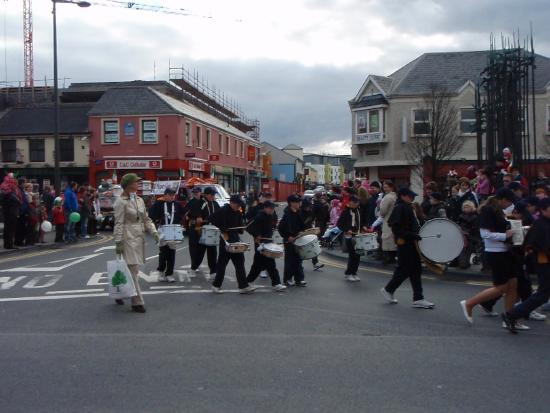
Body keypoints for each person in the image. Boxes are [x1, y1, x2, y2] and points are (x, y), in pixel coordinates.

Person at [459, 190, 518, 325]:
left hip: (504, 251)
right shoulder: (488, 211)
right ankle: (469, 303)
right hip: (495, 252)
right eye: (509, 202)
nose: (510, 205)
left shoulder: (497, 211)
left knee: (513, 284)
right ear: (503, 199)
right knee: (502, 287)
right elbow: (485, 234)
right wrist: (505, 235)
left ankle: (510, 318)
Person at [380, 187, 435, 309]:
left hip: (410, 243)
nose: (413, 198)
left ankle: (418, 298)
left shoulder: (407, 206)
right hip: (405, 244)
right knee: (405, 269)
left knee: (415, 270)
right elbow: (396, 229)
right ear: (403, 196)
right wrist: (413, 235)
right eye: (410, 196)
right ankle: (389, 289)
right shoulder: (400, 207)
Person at [502, 198, 550, 333]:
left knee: (543, 294)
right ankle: (511, 314)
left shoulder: (544, 223)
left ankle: (512, 314)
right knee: (543, 294)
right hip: (544, 263)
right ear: (543, 210)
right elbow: (538, 245)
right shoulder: (541, 225)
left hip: (544, 262)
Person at [114, 173, 159, 313]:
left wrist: (154, 232)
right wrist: (118, 241)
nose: (138, 184)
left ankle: (119, 293)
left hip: (139, 238)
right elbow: (119, 223)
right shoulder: (120, 202)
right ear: (128, 185)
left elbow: (146, 219)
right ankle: (137, 302)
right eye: (136, 182)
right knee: (133, 270)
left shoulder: (139, 200)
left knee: (133, 269)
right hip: (127, 237)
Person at [210, 195, 255, 294]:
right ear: (232, 203)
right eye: (238, 205)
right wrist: (223, 228)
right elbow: (211, 218)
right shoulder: (223, 210)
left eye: (239, 205)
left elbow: (239, 228)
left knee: (240, 262)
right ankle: (216, 285)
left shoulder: (238, 213)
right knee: (222, 265)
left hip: (235, 240)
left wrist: (241, 228)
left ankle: (243, 286)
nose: (239, 207)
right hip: (225, 240)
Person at [245, 200, 287, 292]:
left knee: (265, 264)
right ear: (265, 208)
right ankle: (275, 284)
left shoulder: (270, 216)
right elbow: (248, 227)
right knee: (262, 265)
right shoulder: (259, 216)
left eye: (273, 208)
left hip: (268, 243)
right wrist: (256, 235)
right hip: (261, 244)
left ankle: (275, 283)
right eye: (270, 208)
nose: (272, 210)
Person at [149, 188, 185, 283]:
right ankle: (161, 271)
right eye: (170, 195)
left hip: (173, 230)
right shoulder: (158, 204)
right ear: (165, 195)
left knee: (171, 253)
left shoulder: (176, 204)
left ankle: (169, 273)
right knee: (163, 252)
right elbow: (151, 215)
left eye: (173, 195)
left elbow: (182, 214)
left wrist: (181, 225)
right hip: (163, 230)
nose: (172, 197)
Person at [278, 194, 307, 287]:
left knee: (298, 259)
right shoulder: (287, 214)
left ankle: (299, 279)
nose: (299, 203)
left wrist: (302, 232)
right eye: (297, 202)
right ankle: (287, 279)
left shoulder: (299, 212)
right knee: (290, 260)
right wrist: (287, 237)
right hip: (289, 240)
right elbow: (280, 228)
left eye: (299, 202)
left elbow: (303, 225)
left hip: (299, 238)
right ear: (291, 203)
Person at [337, 195, 366, 282]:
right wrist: (346, 230)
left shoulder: (359, 210)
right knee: (352, 255)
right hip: (349, 236)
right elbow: (339, 224)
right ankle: (348, 273)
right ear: (350, 202)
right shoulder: (345, 212)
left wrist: (364, 227)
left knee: (358, 255)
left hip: (358, 235)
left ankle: (354, 272)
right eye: (355, 202)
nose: (357, 204)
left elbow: (362, 221)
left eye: (358, 203)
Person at [197, 187, 220, 279]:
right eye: (211, 194)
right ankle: (194, 267)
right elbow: (196, 213)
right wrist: (199, 217)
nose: (213, 196)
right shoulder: (201, 203)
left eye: (214, 195)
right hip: (204, 229)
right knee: (200, 251)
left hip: (213, 229)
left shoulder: (215, 203)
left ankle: (213, 271)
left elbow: (219, 214)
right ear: (206, 194)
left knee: (213, 252)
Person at [183, 187, 205, 275]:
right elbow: (185, 212)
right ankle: (193, 266)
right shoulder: (190, 202)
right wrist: (187, 216)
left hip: (203, 227)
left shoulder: (204, 202)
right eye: (194, 192)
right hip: (193, 226)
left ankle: (197, 264)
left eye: (197, 192)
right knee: (193, 247)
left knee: (202, 247)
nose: (195, 193)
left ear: (200, 192)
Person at [0, 174, 22, 249]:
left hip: (9, 212)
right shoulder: (10, 194)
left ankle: (8, 244)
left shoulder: (6, 193)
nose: (15, 182)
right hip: (11, 213)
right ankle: (9, 244)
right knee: (10, 229)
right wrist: (18, 201)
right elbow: (16, 202)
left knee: (8, 229)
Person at [379, 181, 397, 265]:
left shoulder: (387, 197)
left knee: (387, 239)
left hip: (387, 220)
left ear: (391, 187)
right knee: (392, 238)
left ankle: (388, 258)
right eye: (384, 186)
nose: (384, 188)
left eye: (386, 187)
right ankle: (393, 257)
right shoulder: (395, 196)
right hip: (394, 220)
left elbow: (383, 211)